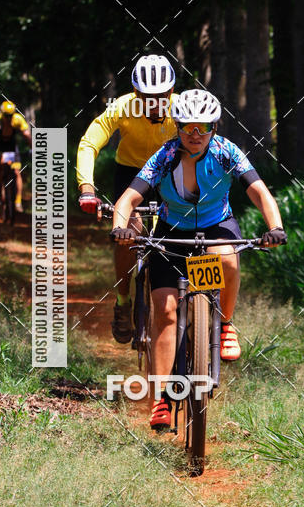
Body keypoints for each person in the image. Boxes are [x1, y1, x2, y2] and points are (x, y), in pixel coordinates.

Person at [110, 88, 287, 431]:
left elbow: (260, 193)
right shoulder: (164, 156)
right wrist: (121, 228)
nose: (195, 135)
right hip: (171, 233)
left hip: (215, 227)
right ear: (177, 127)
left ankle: (225, 324)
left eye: (203, 127)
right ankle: (162, 396)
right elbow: (128, 198)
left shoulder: (226, 153)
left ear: (215, 127)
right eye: (187, 127)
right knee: (164, 308)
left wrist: (275, 227)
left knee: (228, 260)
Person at [76, 54, 177, 343]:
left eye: (161, 96)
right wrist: (87, 188)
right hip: (132, 175)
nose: (155, 102)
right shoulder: (121, 107)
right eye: (147, 96)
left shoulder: (183, 108)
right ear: (136, 93)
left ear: (171, 92)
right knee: (128, 234)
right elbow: (89, 143)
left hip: (171, 174)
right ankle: (123, 300)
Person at [0, 101, 31, 213]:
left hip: (12, 145)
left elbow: (27, 135)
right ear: (2, 114)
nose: (8, 118)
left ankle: (18, 201)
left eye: (10, 115)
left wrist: (33, 148)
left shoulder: (18, 119)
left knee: (17, 172)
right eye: (6, 116)